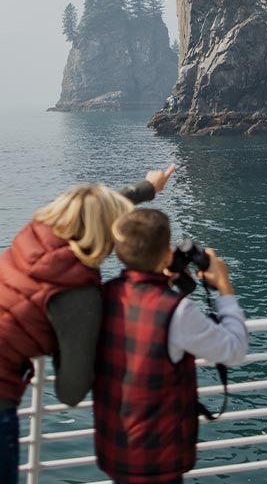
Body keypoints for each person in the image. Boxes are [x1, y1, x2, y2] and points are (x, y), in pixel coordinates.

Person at [0, 164, 175, 484]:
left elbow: (90, 208)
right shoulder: (78, 293)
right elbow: (71, 391)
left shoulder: (34, 236)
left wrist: (148, 188)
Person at [93, 207, 248, 484]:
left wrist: (165, 280)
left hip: (116, 449)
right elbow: (234, 349)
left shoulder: (105, 295)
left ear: (118, 253)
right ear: (166, 254)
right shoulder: (176, 311)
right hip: (158, 459)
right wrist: (224, 285)